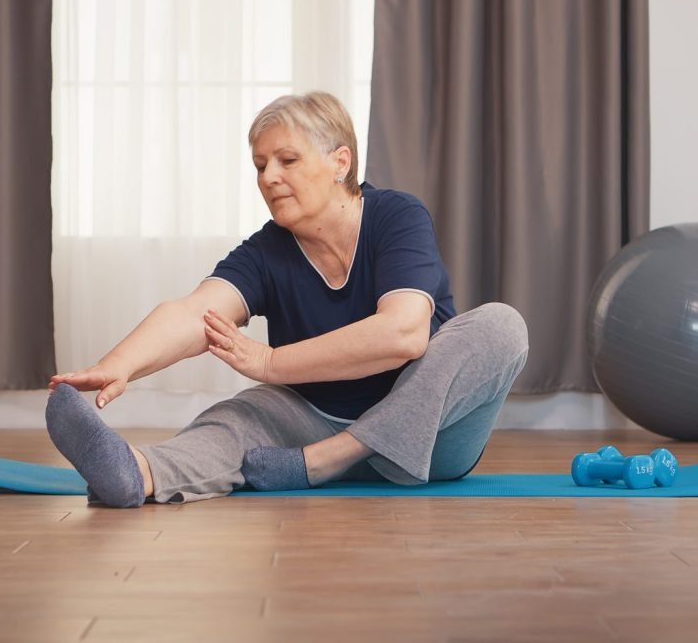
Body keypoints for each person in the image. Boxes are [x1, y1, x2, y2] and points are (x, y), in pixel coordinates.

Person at [46, 91, 529, 507]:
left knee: (501, 326)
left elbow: (403, 333)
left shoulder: (396, 216)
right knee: (237, 416)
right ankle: (138, 474)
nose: (268, 177)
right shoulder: (266, 250)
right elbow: (197, 313)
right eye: (260, 165)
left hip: (429, 436)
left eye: (287, 160)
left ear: (340, 162)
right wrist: (121, 364)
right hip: (311, 423)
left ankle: (336, 458)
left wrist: (272, 363)